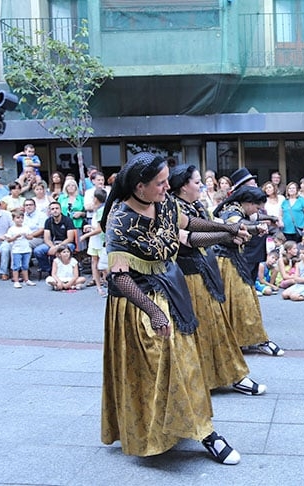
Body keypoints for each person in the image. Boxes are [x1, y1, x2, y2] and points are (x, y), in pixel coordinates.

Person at [100, 152, 241, 464]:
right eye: (161, 183)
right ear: (139, 187)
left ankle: (203, 430)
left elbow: (188, 230)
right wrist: (153, 310)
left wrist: (227, 231)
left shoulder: (164, 205)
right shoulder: (120, 222)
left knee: (185, 364)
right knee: (161, 369)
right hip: (139, 302)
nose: (167, 187)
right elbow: (120, 277)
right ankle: (167, 432)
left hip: (172, 291)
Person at [169, 164, 268, 396]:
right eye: (196, 182)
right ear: (184, 186)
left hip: (204, 272)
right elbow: (190, 238)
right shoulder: (172, 207)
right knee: (202, 329)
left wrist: (239, 232)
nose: (201, 185)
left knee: (214, 327)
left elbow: (215, 226)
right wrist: (228, 233)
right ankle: (211, 378)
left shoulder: (196, 205)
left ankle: (225, 376)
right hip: (188, 276)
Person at [213, 185, 285, 357]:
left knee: (243, 301)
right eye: (257, 206)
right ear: (248, 202)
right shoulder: (230, 210)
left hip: (234, 259)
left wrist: (269, 218)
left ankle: (244, 339)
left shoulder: (242, 207)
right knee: (241, 301)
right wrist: (256, 227)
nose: (258, 211)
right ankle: (253, 340)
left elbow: (254, 217)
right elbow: (238, 223)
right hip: (226, 261)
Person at [32, 201, 77, 276]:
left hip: (66, 243)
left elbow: (70, 238)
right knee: (38, 251)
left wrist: (57, 247)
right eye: (52, 209)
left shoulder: (68, 220)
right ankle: (50, 270)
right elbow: (46, 238)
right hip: (52, 243)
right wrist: (53, 247)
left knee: (70, 248)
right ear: (50, 211)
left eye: (57, 208)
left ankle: (66, 270)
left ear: (61, 210)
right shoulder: (48, 221)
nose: (55, 210)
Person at [80, 188, 108, 296]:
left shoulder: (102, 210)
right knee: (94, 262)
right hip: (95, 240)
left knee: (104, 265)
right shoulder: (97, 209)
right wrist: (90, 227)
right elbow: (96, 226)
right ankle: (99, 287)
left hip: (101, 240)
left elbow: (100, 229)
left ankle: (106, 283)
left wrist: (86, 235)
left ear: (96, 198)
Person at [4, 209, 37, 288]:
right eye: (18, 218)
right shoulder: (12, 229)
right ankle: (16, 281)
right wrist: (15, 237)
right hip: (16, 250)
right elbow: (8, 240)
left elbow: (31, 237)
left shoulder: (26, 227)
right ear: (13, 219)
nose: (20, 219)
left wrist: (26, 236)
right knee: (16, 266)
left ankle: (26, 280)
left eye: (22, 218)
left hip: (26, 249)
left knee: (25, 266)